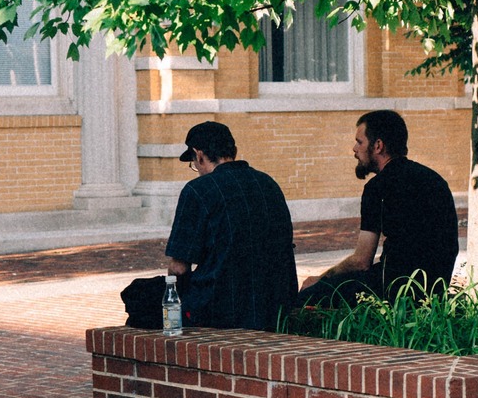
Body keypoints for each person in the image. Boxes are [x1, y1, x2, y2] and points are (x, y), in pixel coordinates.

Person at [300, 109, 459, 306]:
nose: (354, 149)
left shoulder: (377, 187)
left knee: (306, 297)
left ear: (378, 146)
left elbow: (361, 261)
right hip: (434, 291)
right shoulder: (435, 180)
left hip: (393, 292)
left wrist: (322, 278)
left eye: (359, 142)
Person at [164, 121, 299, 331]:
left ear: (199, 155)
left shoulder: (198, 190)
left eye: (194, 163)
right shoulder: (268, 184)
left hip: (220, 311)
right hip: (275, 307)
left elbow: (179, 267)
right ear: (233, 151)